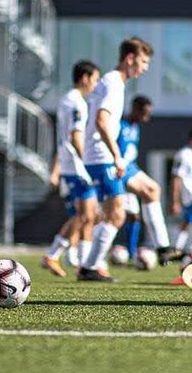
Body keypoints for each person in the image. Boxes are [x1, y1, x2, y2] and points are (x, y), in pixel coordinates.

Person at [78, 37, 154, 282]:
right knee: (117, 214)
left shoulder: (112, 81)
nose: (145, 68)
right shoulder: (114, 82)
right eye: (143, 61)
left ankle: (90, 265)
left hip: (98, 157)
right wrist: (117, 157)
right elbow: (101, 121)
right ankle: (89, 267)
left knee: (109, 214)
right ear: (129, 58)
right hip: (102, 157)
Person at [43, 60, 100, 277]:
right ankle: (53, 254)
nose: (95, 85)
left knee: (89, 214)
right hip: (77, 167)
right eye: (94, 79)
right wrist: (88, 162)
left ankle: (84, 263)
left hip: (70, 165)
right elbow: (76, 136)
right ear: (85, 78)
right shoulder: (77, 103)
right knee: (85, 214)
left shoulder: (67, 100)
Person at [118, 95, 174, 263]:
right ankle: (159, 247)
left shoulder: (135, 127)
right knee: (108, 216)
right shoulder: (118, 125)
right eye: (144, 113)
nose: (147, 118)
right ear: (135, 109)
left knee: (138, 209)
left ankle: (154, 248)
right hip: (118, 169)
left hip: (130, 168)